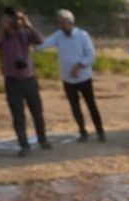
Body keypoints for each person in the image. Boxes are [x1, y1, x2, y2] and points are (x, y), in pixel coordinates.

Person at [0, 7, 50, 157]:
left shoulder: (26, 33)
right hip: (12, 80)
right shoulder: (1, 35)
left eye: (20, 18)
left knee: (37, 112)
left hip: (29, 78)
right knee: (18, 115)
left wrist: (29, 25)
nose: (18, 21)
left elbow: (41, 41)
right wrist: (2, 28)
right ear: (6, 19)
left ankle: (43, 140)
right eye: (15, 18)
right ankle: (24, 145)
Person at [38, 9, 105, 142]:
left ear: (71, 22)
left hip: (84, 78)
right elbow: (43, 44)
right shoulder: (58, 35)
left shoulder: (82, 35)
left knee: (91, 105)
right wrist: (32, 43)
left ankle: (100, 132)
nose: (62, 26)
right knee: (75, 107)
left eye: (64, 23)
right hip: (68, 79)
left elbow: (90, 56)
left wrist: (79, 66)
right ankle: (82, 131)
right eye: (60, 23)